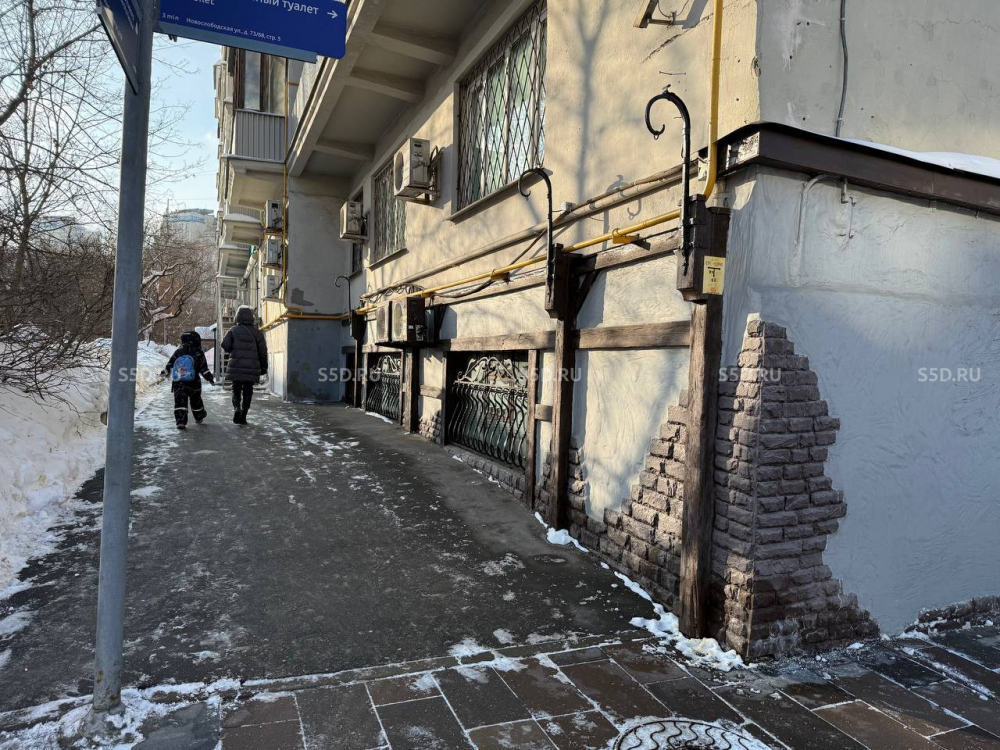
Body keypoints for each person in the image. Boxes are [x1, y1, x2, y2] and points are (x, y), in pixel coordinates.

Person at [222, 305, 268, 425]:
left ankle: (237, 408)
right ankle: (244, 415)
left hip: (236, 364)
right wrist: (264, 367)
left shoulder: (233, 330)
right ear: (251, 317)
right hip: (252, 367)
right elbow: (263, 351)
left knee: (236, 388)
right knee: (248, 389)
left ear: (238, 317)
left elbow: (225, 345)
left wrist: (233, 350)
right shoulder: (257, 333)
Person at [162, 331, 215, 430]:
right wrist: (210, 378)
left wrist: (164, 373)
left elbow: (170, 364)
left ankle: (181, 421)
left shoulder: (178, 352)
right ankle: (199, 417)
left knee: (180, 402)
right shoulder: (198, 352)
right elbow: (204, 368)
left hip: (178, 382)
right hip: (194, 382)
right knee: (196, 401)